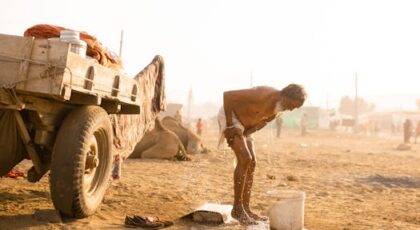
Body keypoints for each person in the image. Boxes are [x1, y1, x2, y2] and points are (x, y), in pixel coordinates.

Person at [218, 84, 306, 225]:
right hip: (232, 117)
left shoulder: (279, 108)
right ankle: (237, 209)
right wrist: (229, 126)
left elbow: (264, 121)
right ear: (286, 96)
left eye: (294, 108)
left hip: (247, 126)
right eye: (291, 105)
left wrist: (248, 132)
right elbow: (227, 95)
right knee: (245, 159)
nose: (290, 109)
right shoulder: (263, 93)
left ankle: (246, 208)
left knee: (252, 162)